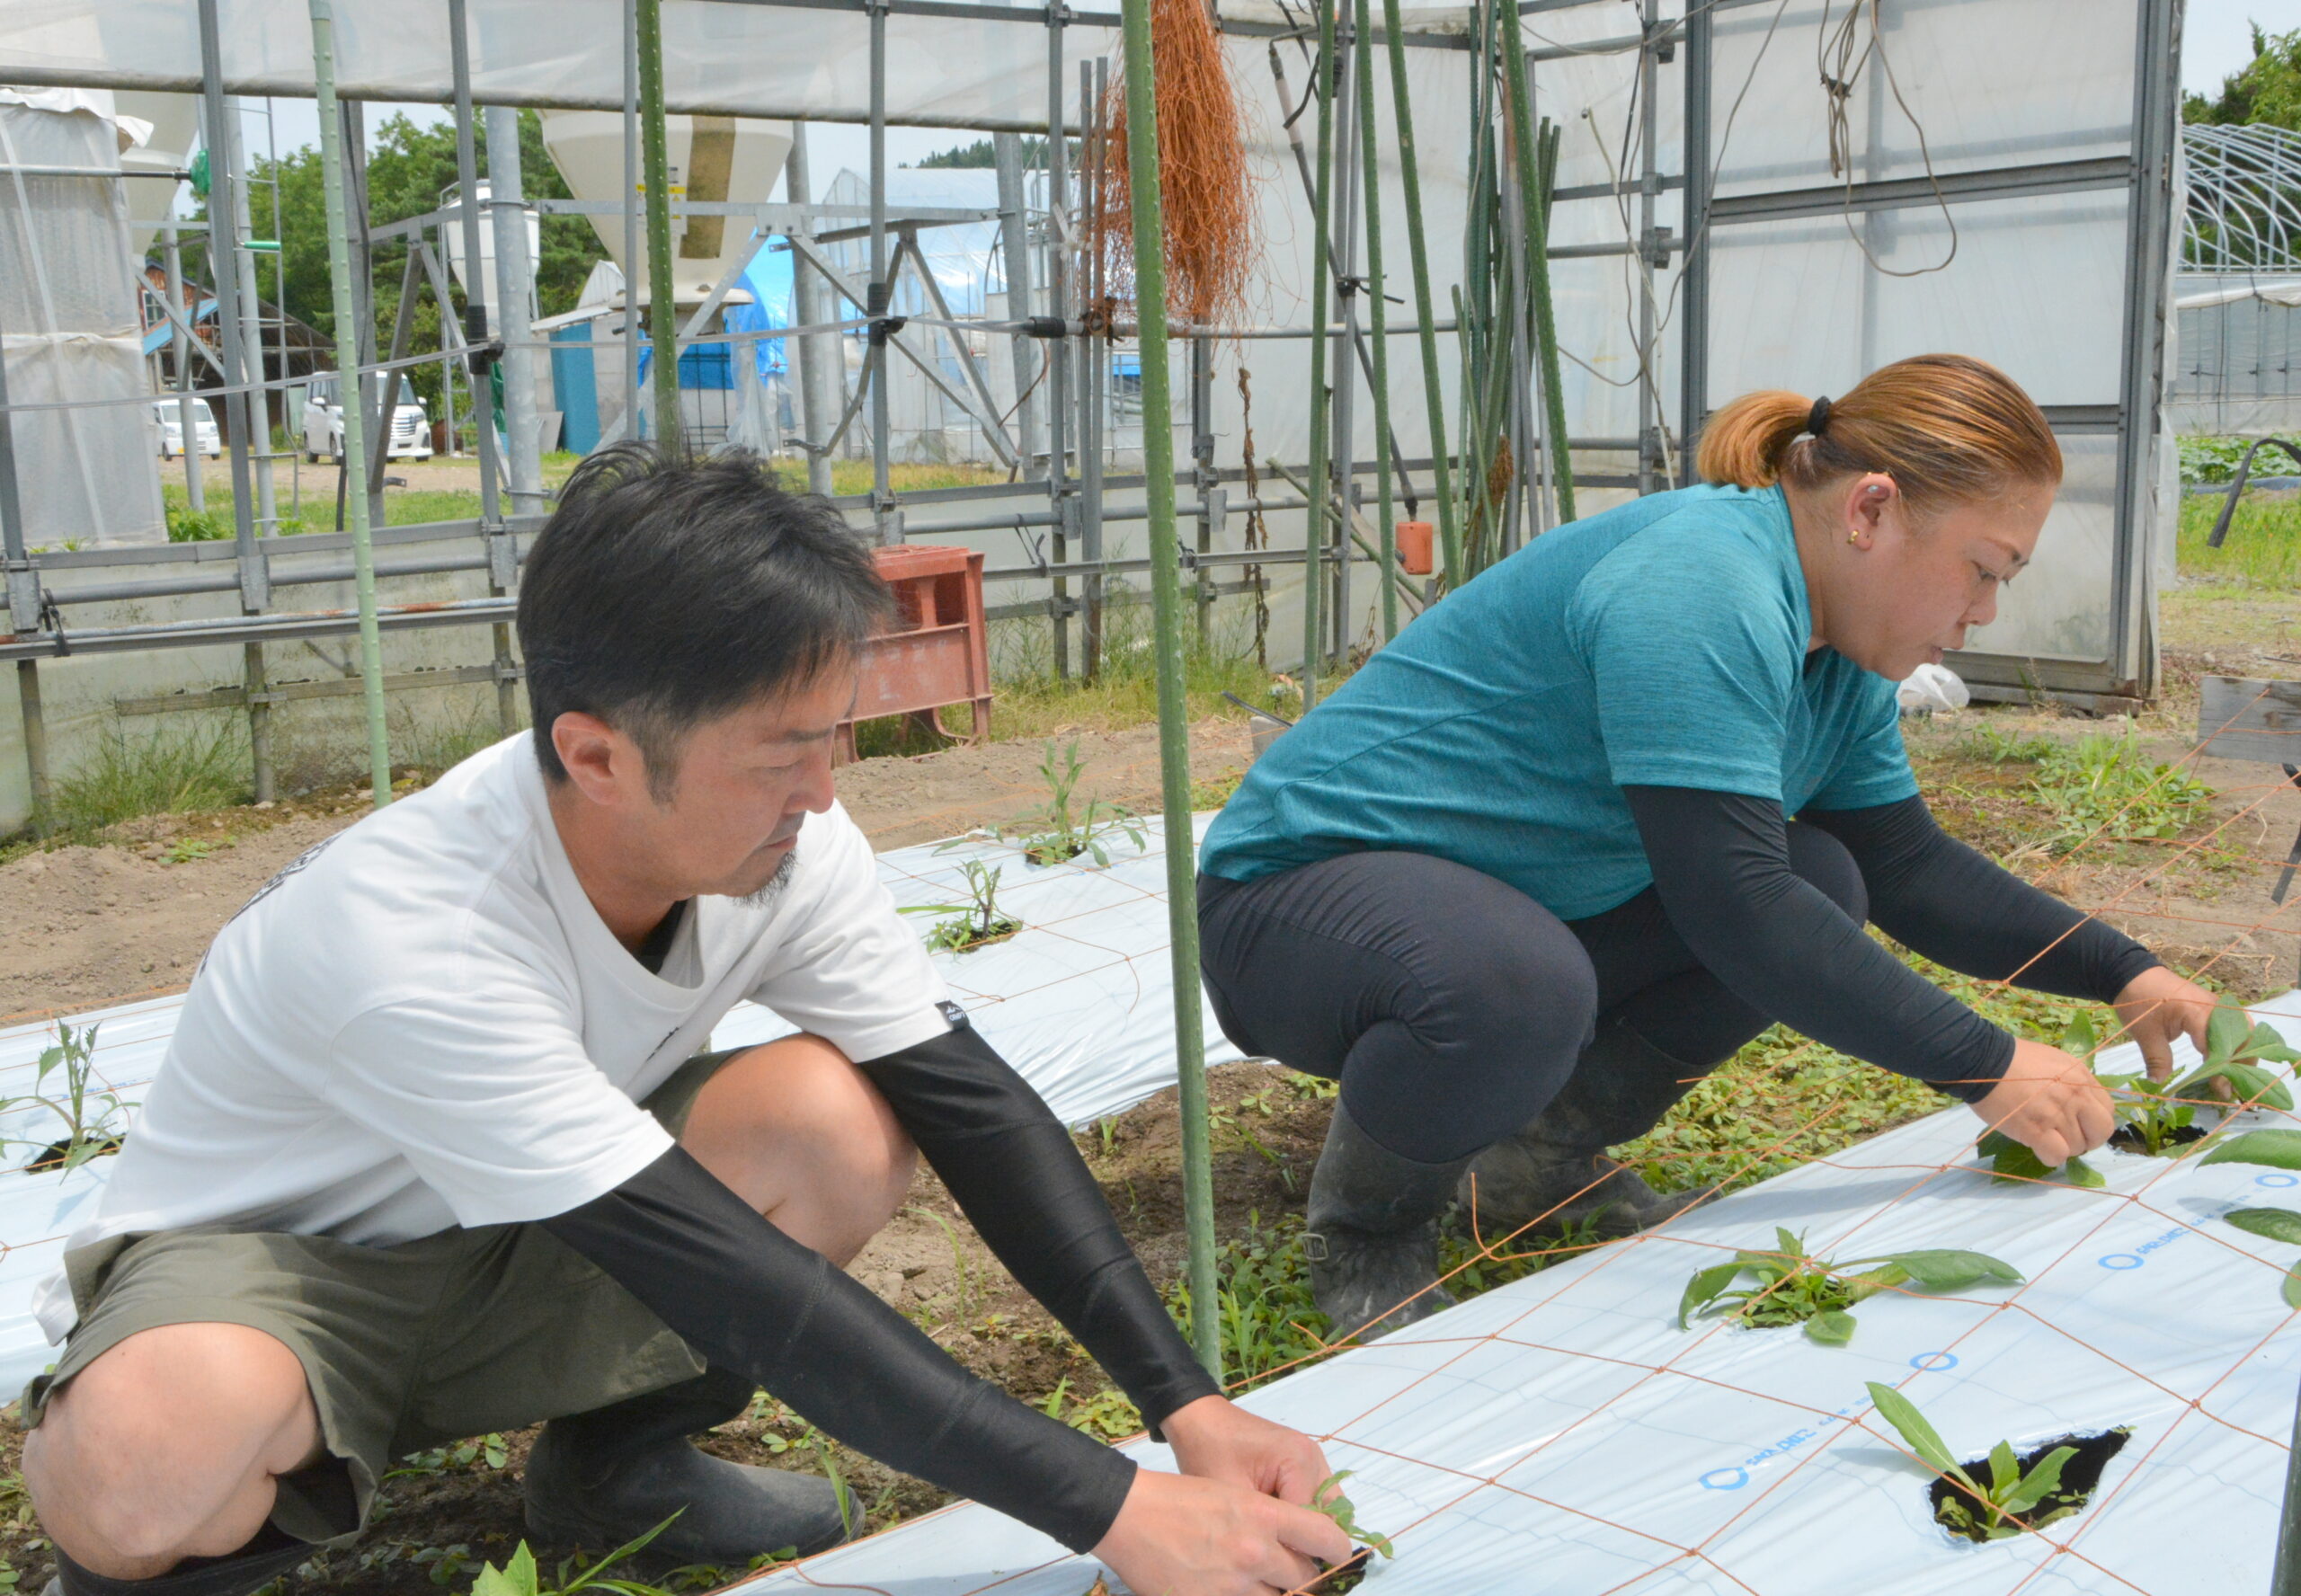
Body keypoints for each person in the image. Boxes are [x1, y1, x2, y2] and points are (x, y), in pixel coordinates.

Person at [20, 445, 1354, 1596]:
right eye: (783, 754)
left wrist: (1187, 1406)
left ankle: (620, 1478)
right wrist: (1117, 1512)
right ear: (596, 755)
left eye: (832, 738)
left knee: (838, 1117)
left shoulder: (782, 842)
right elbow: (729, 1278)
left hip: (524, 1247)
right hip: (288, 1277)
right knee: (156, 1458)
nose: (825, 796)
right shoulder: (415, 933)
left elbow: (970, 1101)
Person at [1195, 354, 2218, 1341]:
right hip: (1292, 912)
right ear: (1869, 511)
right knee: (1519, 979)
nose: (1983, 610)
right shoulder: (1701, 586)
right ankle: (1368, 1234)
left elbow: (1906, 867)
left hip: (1493, 905)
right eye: (1981, 569)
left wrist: (2123, 972)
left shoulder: (1836, 648)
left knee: (1824, 874)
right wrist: (1987, 1065)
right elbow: (1730, 903)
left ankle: (1530, 1164)